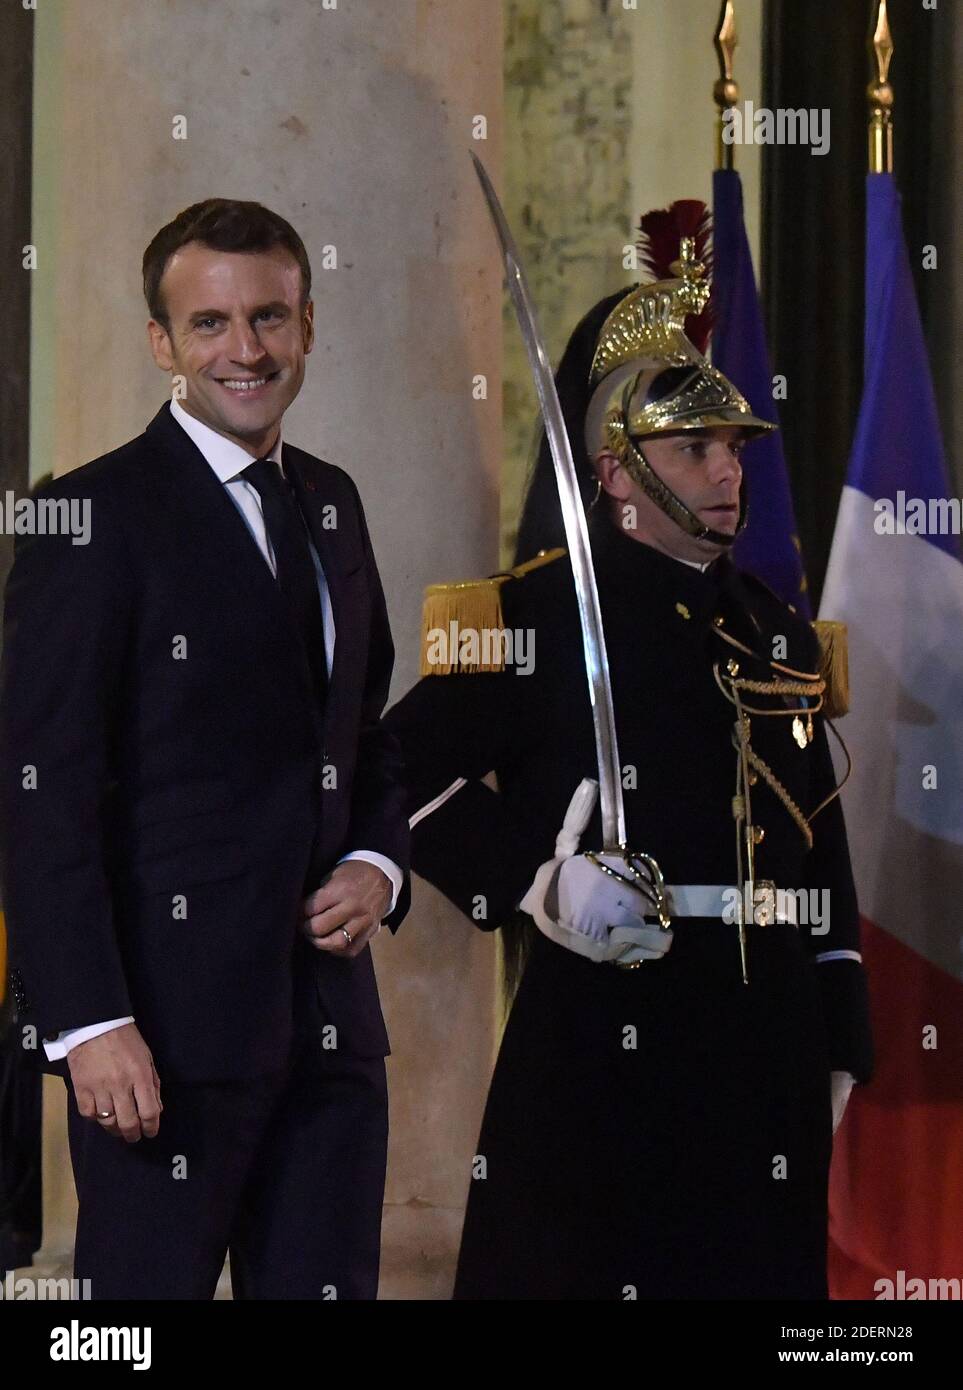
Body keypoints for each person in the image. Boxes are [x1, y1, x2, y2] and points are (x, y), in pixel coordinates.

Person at [378, 243, 872, 1299]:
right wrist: (537, 882)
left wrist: (839, 1032)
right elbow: (391, 768)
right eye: (695, 448)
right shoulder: (531, 618)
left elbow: (818, 843)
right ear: (617, 469)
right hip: (608, 1028)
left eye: (733, 446)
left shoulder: (777, 634)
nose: (731, 470)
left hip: (765, 1037)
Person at [0, 198, 409, 1300]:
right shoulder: (88, 518)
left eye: (270, 318)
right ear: (163, 344)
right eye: (213, 323)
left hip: (330, 1035)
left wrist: (379, 863)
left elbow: (362, 730)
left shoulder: (333, 504)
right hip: (158, 1043)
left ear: (308, 326)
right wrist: (87, 1023)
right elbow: (41, 794)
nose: (247, 350)